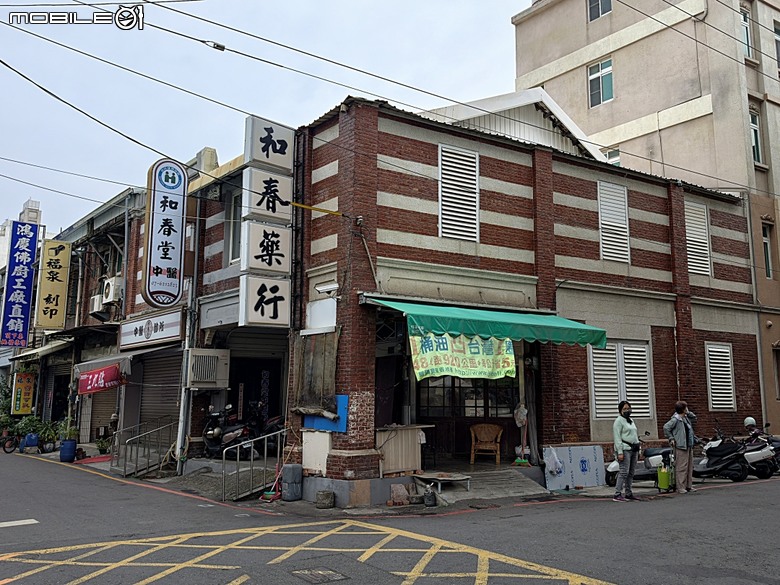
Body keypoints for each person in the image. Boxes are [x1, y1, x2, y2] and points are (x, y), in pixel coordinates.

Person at [663, 401, 698, 494]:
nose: (687, 409)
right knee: (681, 467)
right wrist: (671, 438)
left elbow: (694, 418)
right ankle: (680, 486)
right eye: (686, 408)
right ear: (682, 409)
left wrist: (688, 412)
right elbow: (666, 427)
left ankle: (688, 485)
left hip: (688, 444)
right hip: (681, 445)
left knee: (689, 466)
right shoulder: (675, 420)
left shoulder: (686, 418)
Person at [612, 400, 641, 502]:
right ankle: (617, 493)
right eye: (624, 409)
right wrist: (619, 452)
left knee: (631, 472)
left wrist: (638, 448)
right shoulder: (618, 421)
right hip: (624, 449)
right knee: (624, 472)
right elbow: (617, 438)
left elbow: (634, 435)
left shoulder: (630, 420)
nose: (627, 410)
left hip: (634, 448)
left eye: (628, 408)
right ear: (620, 410)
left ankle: (628, 492)